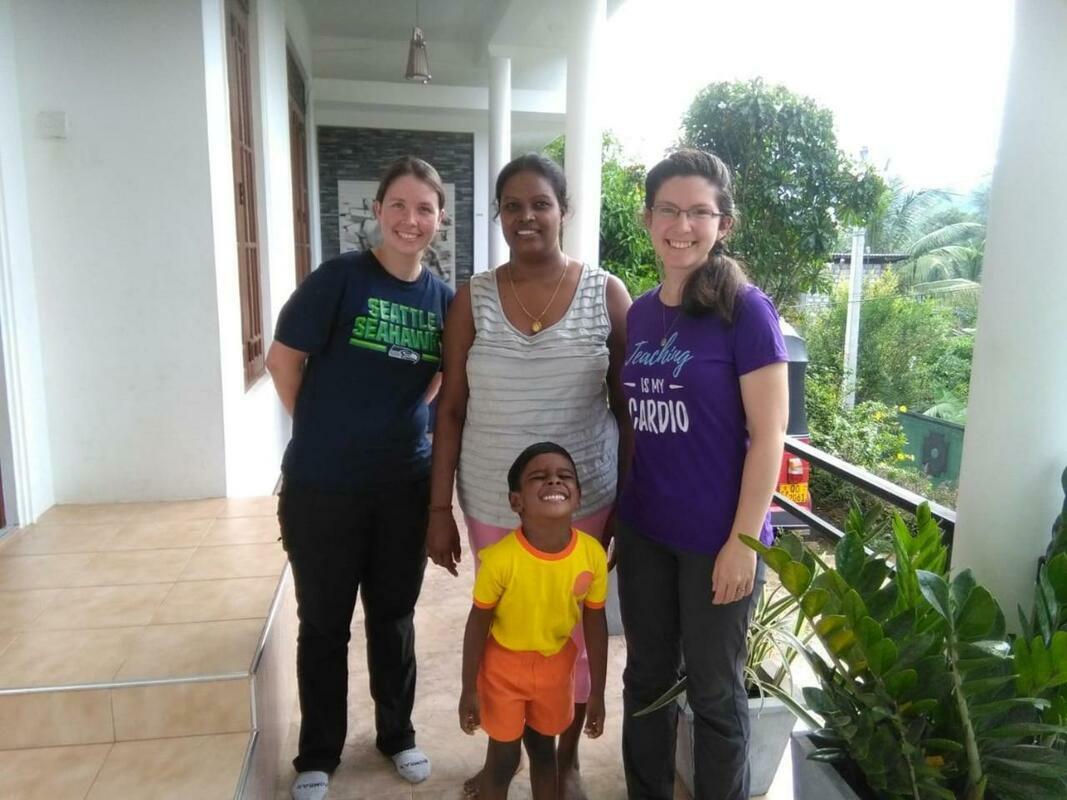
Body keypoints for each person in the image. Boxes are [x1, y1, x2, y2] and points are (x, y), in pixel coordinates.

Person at [426, 153, 631, 798]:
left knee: (572, 633)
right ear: (499, 215)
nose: (526, 217)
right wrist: (437, 509)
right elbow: (450, 407)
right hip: (493, 499)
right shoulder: (473, 298)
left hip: (585, 499)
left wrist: (627, 505)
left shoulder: (606, 294)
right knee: (505, 630)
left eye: (540, 203)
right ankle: (504, 755)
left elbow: (628, 409)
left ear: (564, 211)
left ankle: (565, 760)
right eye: (512, 206)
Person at [266, 156, 455, 800]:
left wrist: (396, 425)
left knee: (394, 616)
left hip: (403, 487)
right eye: (398, 205)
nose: (410, 219)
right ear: (377, 211)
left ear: (439, 219)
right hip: (322, 487)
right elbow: (283, 361)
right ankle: (319, 752)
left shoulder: (442, 300)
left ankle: (397, 735)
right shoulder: (339, 280)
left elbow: (439, 379)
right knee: (324, 622)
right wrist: (321, 427)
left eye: (424, 208)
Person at [615, 149, 789, 800]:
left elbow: (769, 436)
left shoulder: (746, 311)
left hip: (718, 538)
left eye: (698, 212)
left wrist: (742, 543)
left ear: (723, 223)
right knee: (646, 681)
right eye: (668, 210)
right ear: (647, 219)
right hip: (646, 532)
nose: (681, 225)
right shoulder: (639, 314)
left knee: (715, 693)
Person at [459, 442, 609, 800]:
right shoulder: (499, 560)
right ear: (516, 501)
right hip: (502, 673)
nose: (554, 481)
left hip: (555, 671)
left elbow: (595, 624)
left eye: (564, 476)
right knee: (503, 759)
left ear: (578, 495)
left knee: (544, 753)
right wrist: (468, 687)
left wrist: (598, 692)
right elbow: (477, 624)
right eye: (539, 477)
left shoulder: (592, 555)